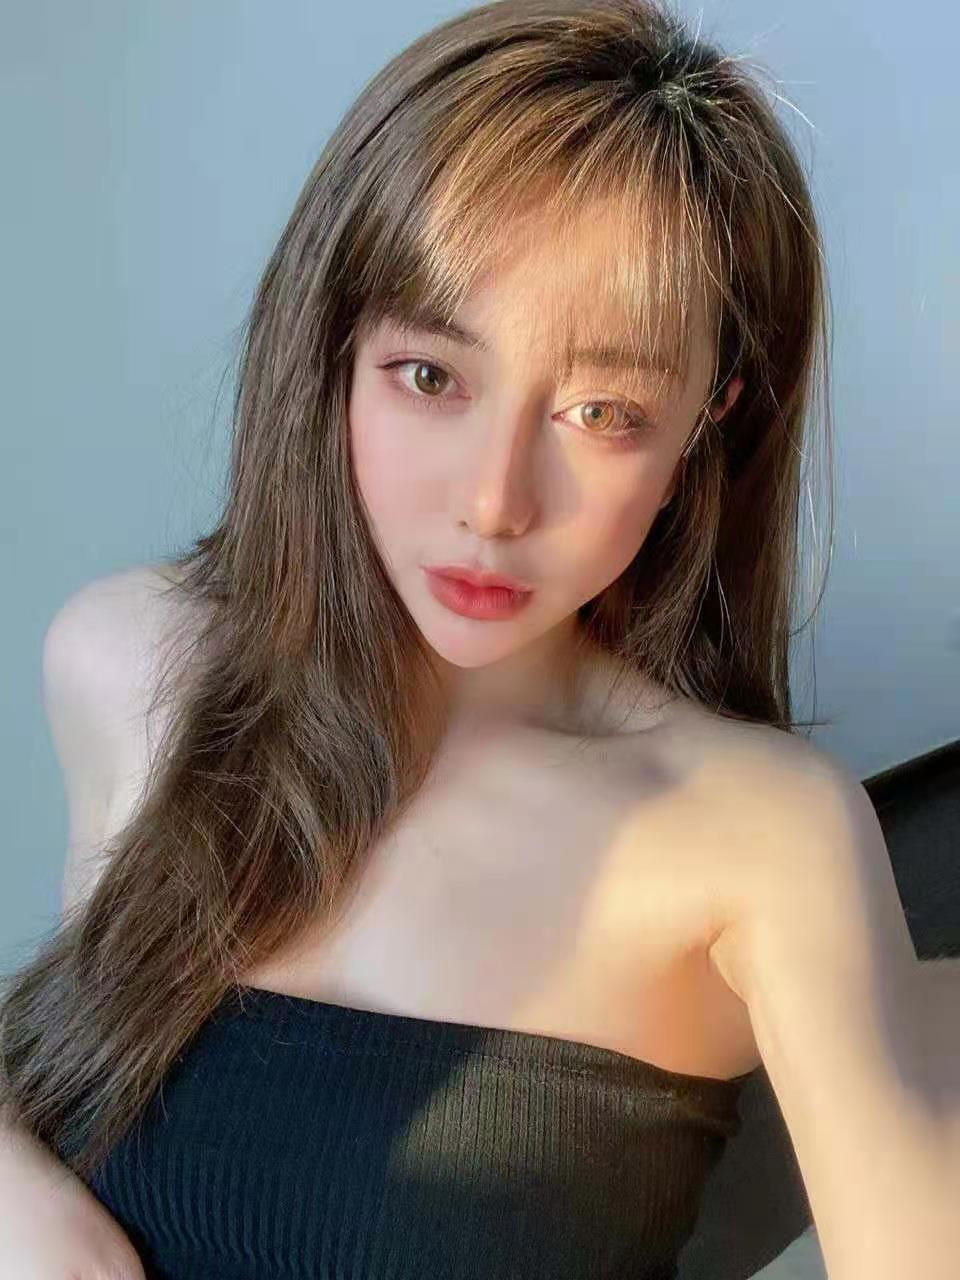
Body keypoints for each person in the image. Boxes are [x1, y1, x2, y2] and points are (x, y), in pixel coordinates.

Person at [2, 1, 956, 1278]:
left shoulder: (756, 836)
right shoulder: (131, 661)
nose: (496, 501)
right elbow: (76, 1067)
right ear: (333, 350)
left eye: (603, 412)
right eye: (432, 377)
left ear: (706, 423)